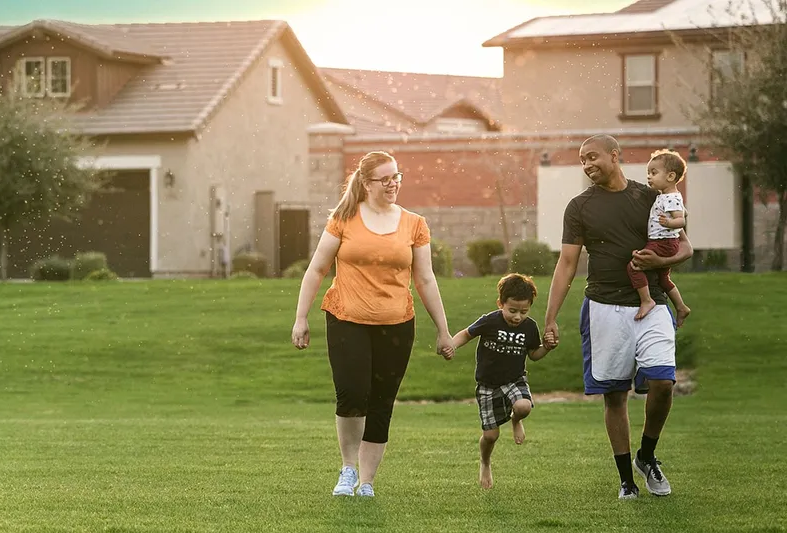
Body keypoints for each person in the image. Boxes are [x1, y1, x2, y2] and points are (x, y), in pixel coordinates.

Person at [291, 150, 455, 498]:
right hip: (346, 319)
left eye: (397, 176)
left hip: (396, 325)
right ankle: (348, 469)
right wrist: (301, 317)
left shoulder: (414, 224)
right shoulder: (344, 219)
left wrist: (443, 330)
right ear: (366, 183)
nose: (393, 183)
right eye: (385, 178)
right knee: (352, 394)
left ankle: (367, 481)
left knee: (382, 402)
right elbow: (317, 269)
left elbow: (425, 279)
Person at [543, 135, 693, 500]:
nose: (587, 164)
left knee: (663, 382)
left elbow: (685, 247)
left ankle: (647, 455)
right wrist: (550, 318)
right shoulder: (579, 207)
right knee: (614, 396)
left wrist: (662, 261)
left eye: (592, 156)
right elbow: (566, 264)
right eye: (582, 160)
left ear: (614, 155)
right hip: (604, 306)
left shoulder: (650, 196)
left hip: (652, 303)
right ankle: (627, 480)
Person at [450, 273, 557, 489]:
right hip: (487, 385)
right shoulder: (490, 321)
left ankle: (516, 420)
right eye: (512, 310)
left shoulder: (529, 327)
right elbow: (466, 334)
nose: (517, 317)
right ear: (501, 303)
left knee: (523, 406)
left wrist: (546, 347)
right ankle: (485, 462)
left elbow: (533, 355)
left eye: (524, 312)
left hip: (514, 380)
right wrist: (451, 345)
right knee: (490, 436)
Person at [628, 149, 691, 323]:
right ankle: (681, 307)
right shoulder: (666, 196)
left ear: (670, 176)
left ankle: (647, 300)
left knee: (634, 266)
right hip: (665, 242)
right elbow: (683, 212)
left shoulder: (670, 198)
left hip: (662, 242)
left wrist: (669, 223)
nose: (649, 177)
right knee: (663, 278)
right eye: (648, 173)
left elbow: (681, 220)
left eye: (654, 173)